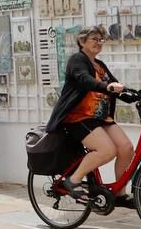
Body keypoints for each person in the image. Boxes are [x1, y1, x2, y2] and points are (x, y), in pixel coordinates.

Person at [43, 26, 132, 204]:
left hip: (100, 117)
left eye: (101, 40)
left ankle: (119, 193)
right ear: (82, 41)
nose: (98, 43)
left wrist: (134, 94)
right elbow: (85, 79)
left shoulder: (100, 65)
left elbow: (114, 85)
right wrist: (106, 87)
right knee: (107, 150)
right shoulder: (77, 60)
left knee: (126, 148)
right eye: (94, 39)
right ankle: (74, 180)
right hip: (79, 117)